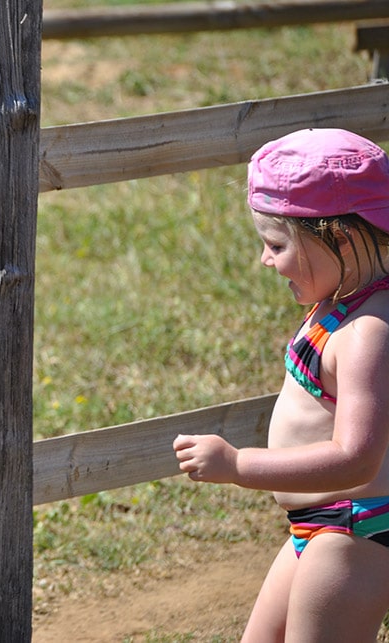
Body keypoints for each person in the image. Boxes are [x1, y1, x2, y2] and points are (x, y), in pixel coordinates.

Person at [172, 128, 389, 642]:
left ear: (338, 238)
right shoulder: (341, 302)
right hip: (317, 525)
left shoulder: (367, 334)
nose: (265, 261)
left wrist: (239, 465)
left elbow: (359, 458)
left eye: (275, 245)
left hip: (353, 531)